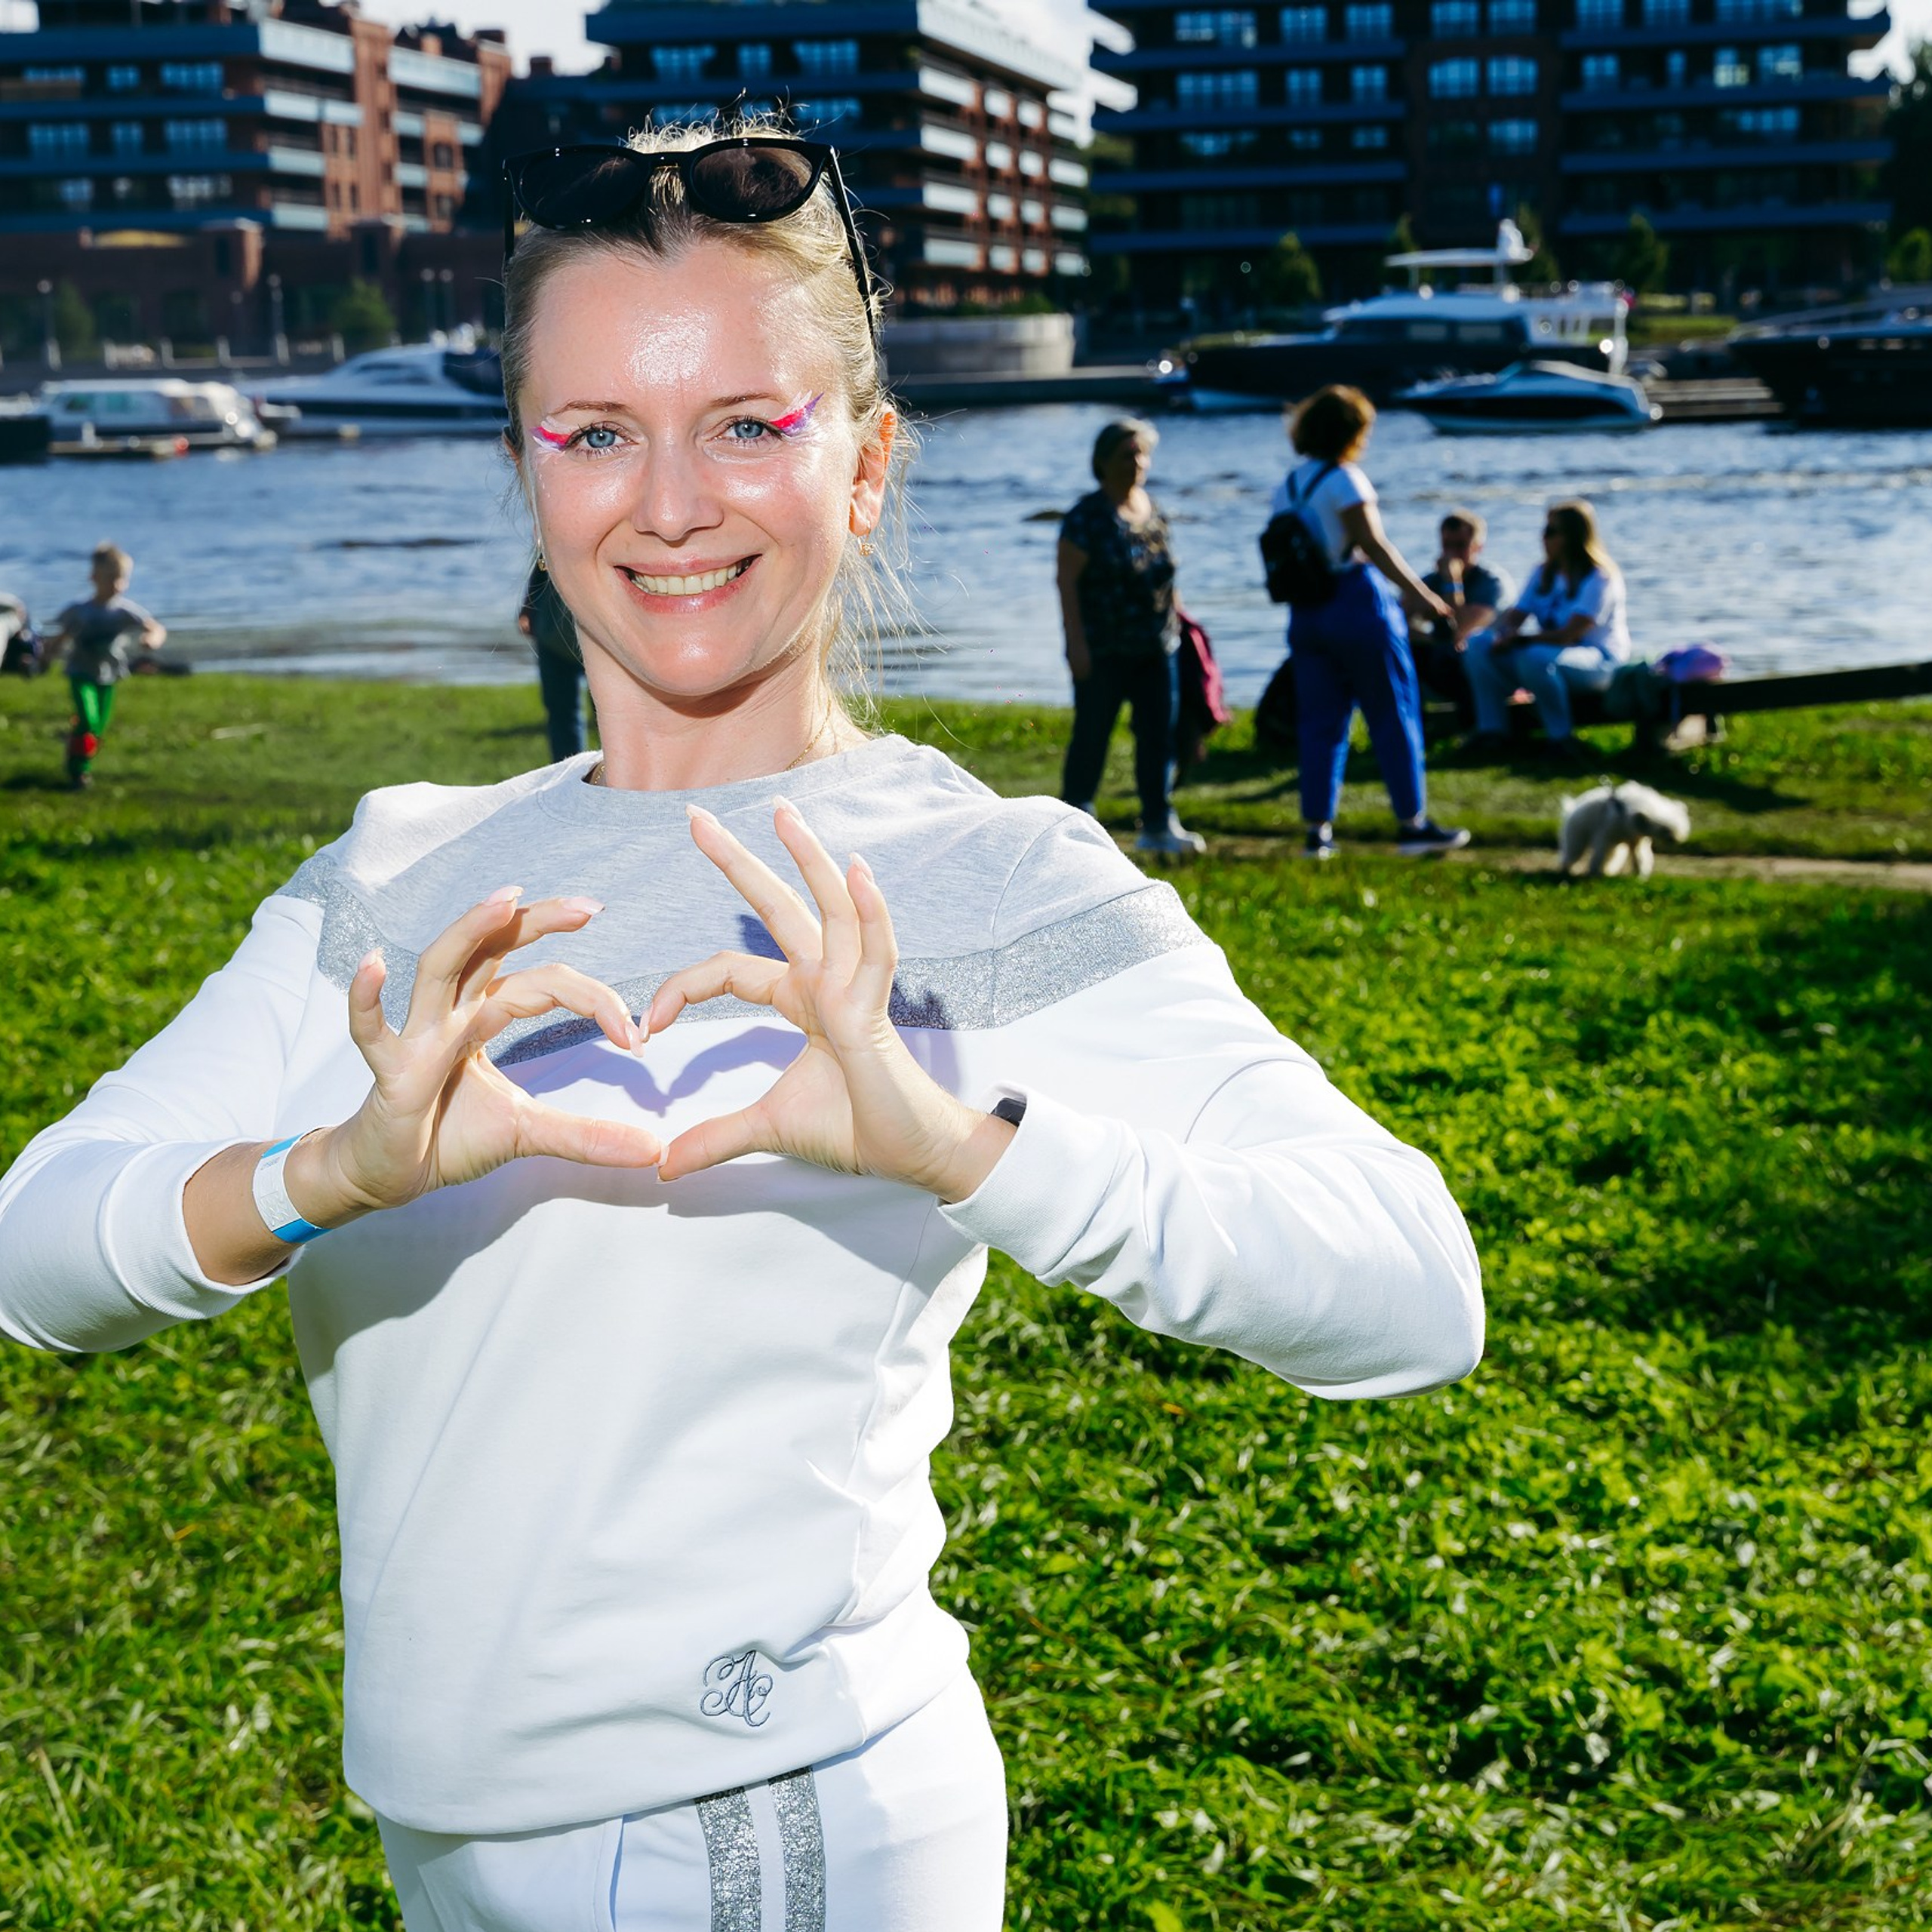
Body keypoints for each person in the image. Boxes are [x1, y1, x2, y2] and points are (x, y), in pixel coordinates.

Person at [0, 122, 1484, 1932]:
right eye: (595, 431)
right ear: (525, 467)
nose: (671, 503)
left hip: (758, 1831)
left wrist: (961, 1143)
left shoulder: (972, 869)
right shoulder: (395, 868)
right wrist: (328, 1171)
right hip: (443, 1822)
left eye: (746, 425)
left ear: (864, 465)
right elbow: (31, 1248)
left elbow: (1408, 1284)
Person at [1272, 386, 1467, 861]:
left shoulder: (1289, 486)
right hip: (1355, 604)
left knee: (1320, 721)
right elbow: (1374, 545)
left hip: (1306, 612)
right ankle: (1412, 824)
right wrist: (1426, 598)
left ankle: (1317, 832)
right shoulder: (1345, 480)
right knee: (1393, 713)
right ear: (1352, 432)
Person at [1057, 417, 1206, 858]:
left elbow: (1166, 575)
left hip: (1159, 647)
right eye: (1127, 455)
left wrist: (1185, 625)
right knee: (1092, 736)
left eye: (1141, 454)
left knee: (1159, 737)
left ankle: (1158, 823)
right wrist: (1075, 645)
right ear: (1102, 462)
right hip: (1104, 649)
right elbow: (1067, 584)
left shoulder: (1151, 508)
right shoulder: (1085, 518)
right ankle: (1072, 824)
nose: (1137, 463)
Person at [1463, 499, 1630, 764]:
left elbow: (1570, 635)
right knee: (1478, 644)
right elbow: (1516, 616)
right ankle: (1492, 731)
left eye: (1551, 531)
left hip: (1599, 662)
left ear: (1573, 536)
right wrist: (1503, 635)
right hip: (1550, 657)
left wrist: (1522, 640)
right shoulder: (1543, 573)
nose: (1543, 537)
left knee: (1534, 656)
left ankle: (1561, 739)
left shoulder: (1600, 577)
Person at [48, 541, 165, 789]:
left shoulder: (124, 611)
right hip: (80, 673)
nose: (117, 584)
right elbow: (61, 638)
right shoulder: (80, 611)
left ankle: (79, 760)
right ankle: (78, 771)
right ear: (94, 577)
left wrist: (151, 639)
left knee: (97, 727)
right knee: (88, 720)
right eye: (111, 578)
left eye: (122, 578)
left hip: (108, 675)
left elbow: (155, 627)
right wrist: (45, 655)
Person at [1412, 509, 1514, 733]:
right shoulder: (1431, 580)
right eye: (1446, 545)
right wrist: (1429, 638)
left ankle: (1476, 729)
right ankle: (1415, 729)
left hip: (1488, 665)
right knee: (1405, 651)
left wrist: (1452, 582)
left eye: (1460, 546)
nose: (1452, 553)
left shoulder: (1492, 582)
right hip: (1443, 662)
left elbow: (1460, 630)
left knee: (1452, 654)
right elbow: (1401, 623)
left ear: (1478, 547)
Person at [518, 558, 591, 761]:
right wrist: (529, 606)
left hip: (600, 637)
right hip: (552, 631)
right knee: (563, 714)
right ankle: (569, 771)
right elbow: (543, 559)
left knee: (615, 716)